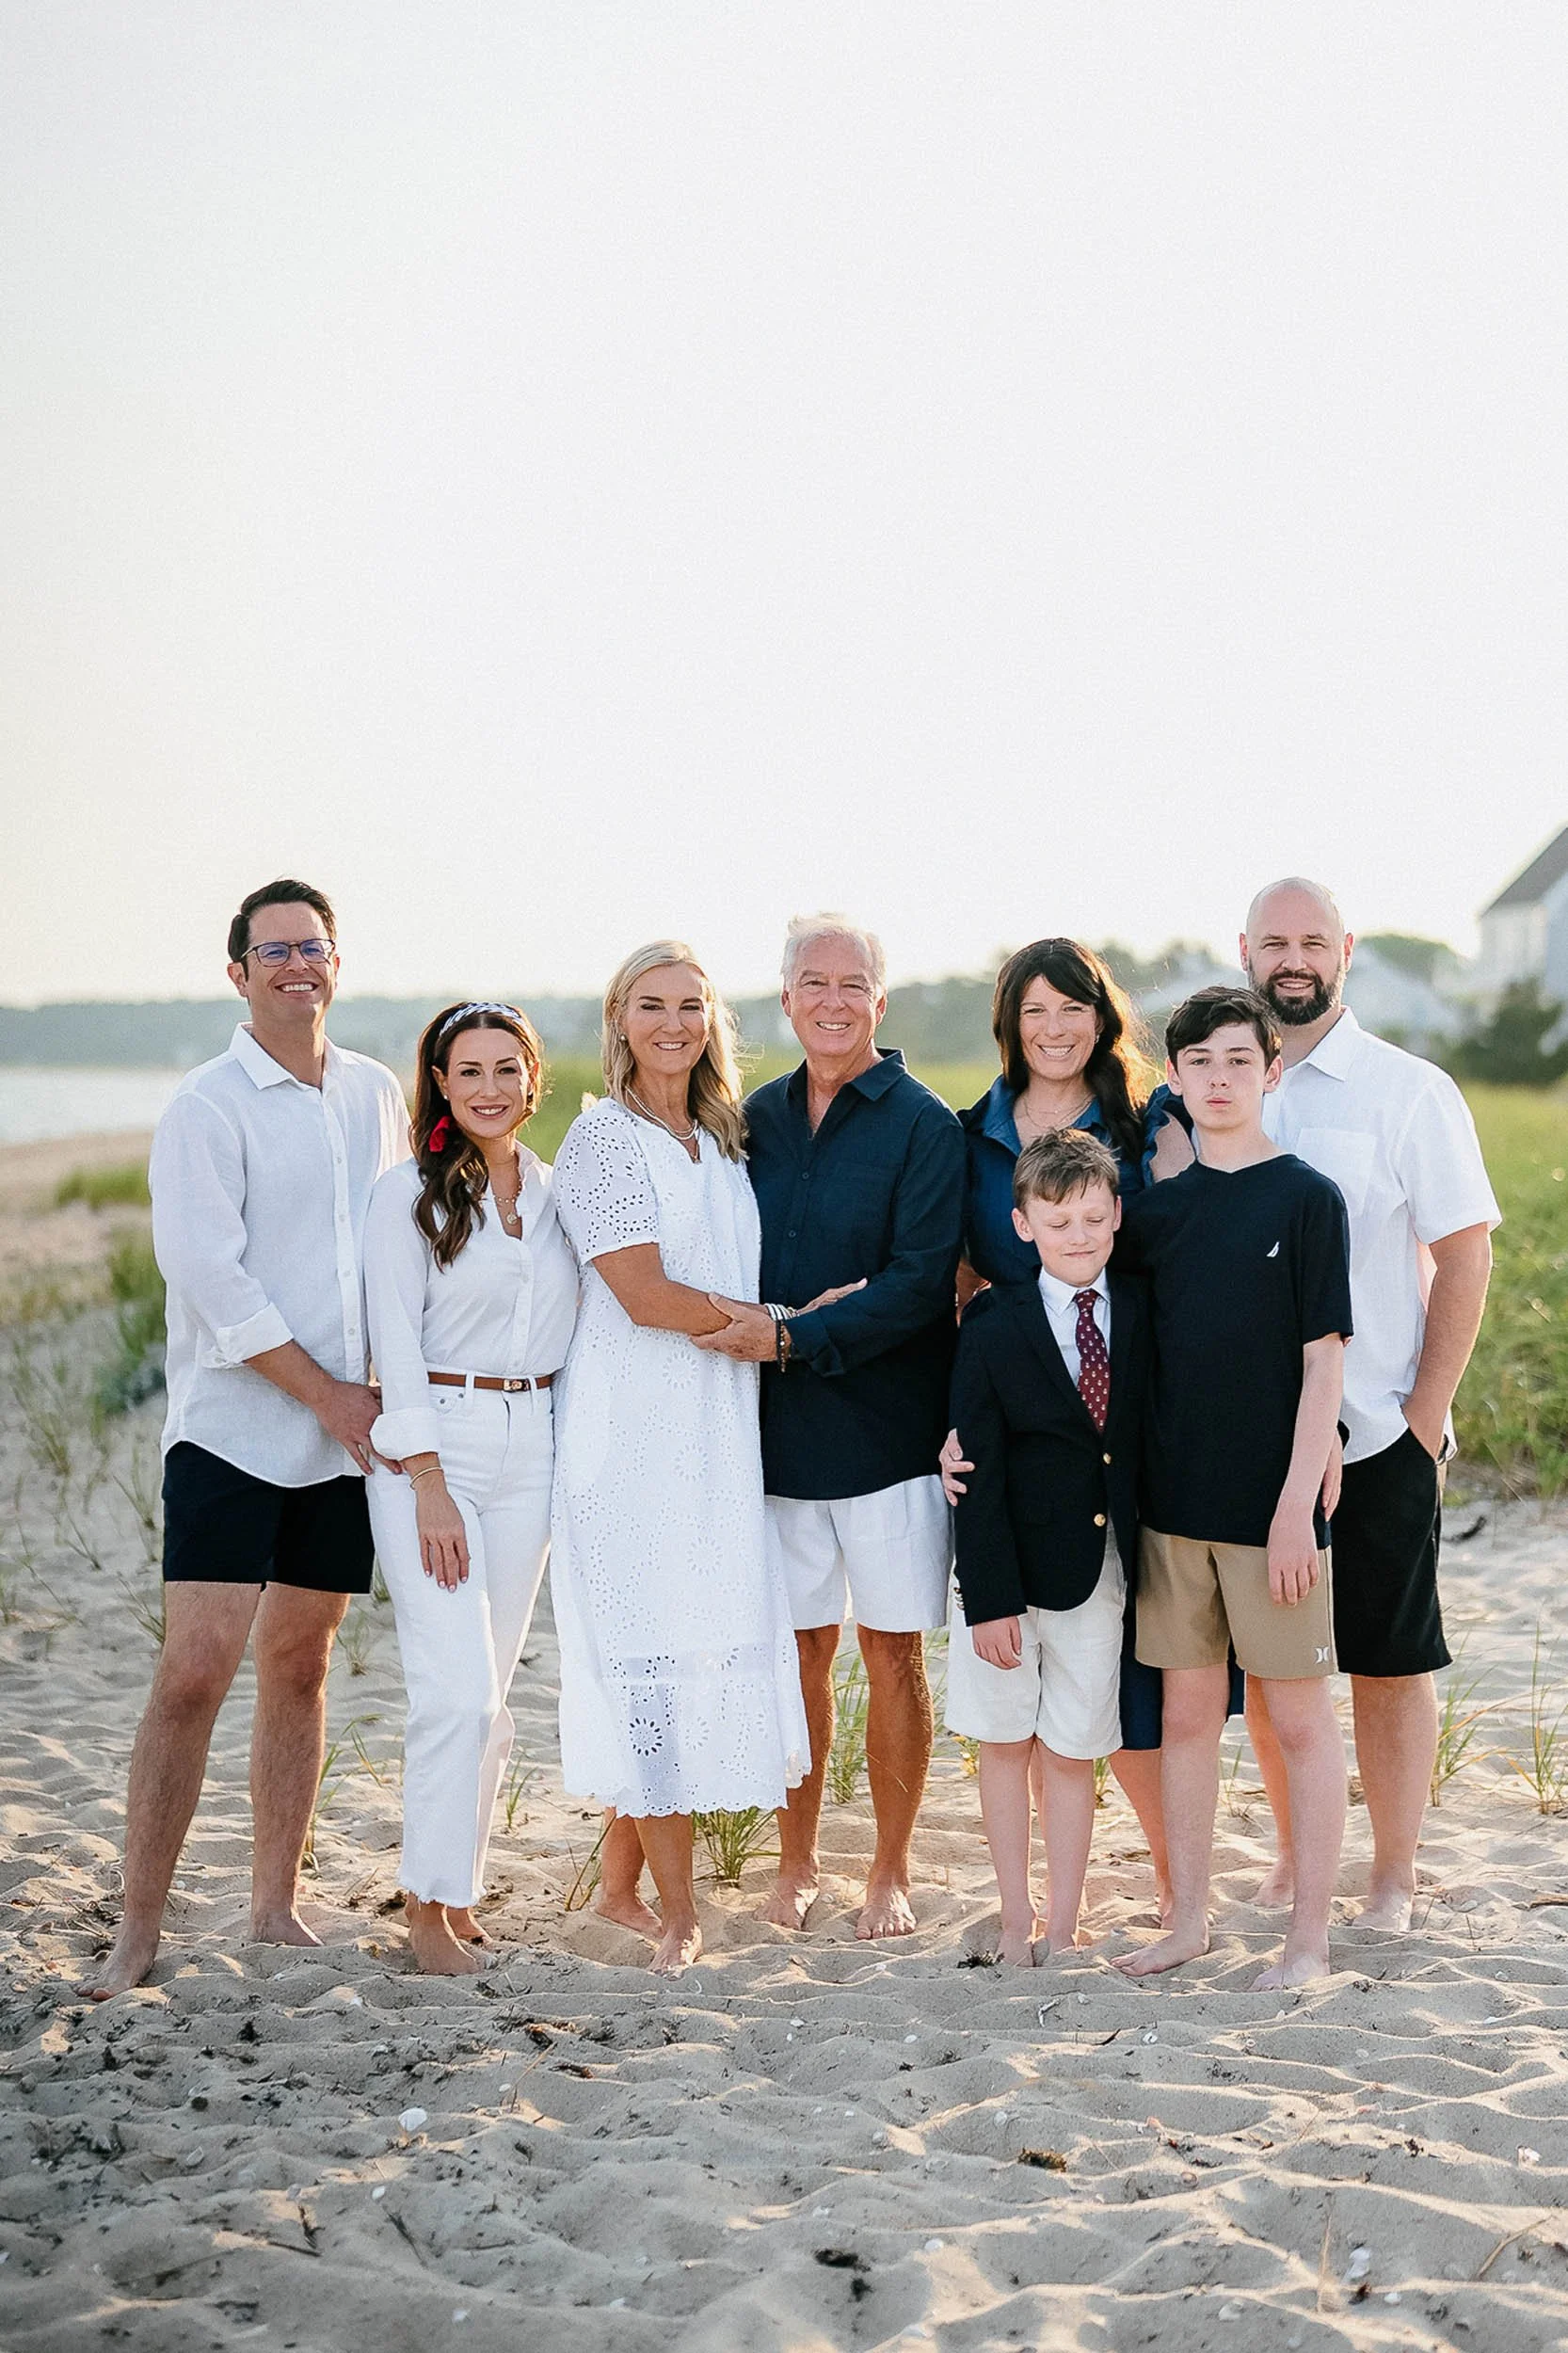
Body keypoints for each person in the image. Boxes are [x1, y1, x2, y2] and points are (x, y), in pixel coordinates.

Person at [90, 880, 408, 1999]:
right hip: (233, 1429)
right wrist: (327, 1393)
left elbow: (399, 1244)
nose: (295, 966)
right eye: (272, 950)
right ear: (238, 972)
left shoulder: (375, 1092)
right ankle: (136, 1929)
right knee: (193, 1672)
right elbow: (213, 1282)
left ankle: (274, 1905)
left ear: (336, 961)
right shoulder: (205, 1104)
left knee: (303, 1662)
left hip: (344, 1435)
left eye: (313, 946)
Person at [942, 936, 1230, 1918]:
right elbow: (954, 1275)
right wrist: (954, 1428)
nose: (1054, 1027)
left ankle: (1169, 1877)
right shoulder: (973, 1129)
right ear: (1010, 1025)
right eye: (1034, 1011)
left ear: (1100, 1016)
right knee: (1020, 1719)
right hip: (1019, 1406)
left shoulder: (1148, 1121)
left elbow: (1189, 1245)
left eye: (1072, 1007)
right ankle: (1035, 1909)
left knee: (1117, 1703)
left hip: (1127, 1405)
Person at [695, 916, 967, 1940]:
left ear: (879, 1002)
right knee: (797, 1657)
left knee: (893, 1654)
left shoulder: (923, 1126)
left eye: (853, 983)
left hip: (890, 1437)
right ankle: (796, 1861)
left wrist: (792, 1335)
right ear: (786, 998)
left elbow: (914, 1285)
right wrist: (777, 1333)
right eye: (814, 981)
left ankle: (889, 1869)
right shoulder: (750, 1119)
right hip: (779, 1439)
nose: (834, 1000)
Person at [1239, 879, 1499, 1931]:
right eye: (1273, 942)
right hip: (1253, 1439)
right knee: (1273, 1665)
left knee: (1390, 1662)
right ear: (1244, 950)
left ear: (1342, 949)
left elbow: (1464, 1254)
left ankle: (1391, 1875)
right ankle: (1301, 1852)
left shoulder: (1408, 1089)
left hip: (1379, 1426)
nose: (1291, 959)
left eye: (1311, 941)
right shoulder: (1223, 1081)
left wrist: (1428, 1406)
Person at [548, 942, 809, 1977]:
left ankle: (617, 1885)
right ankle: (677, 1912)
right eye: (651, 1006)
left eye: (691, 1005)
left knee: (682, 1644)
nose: (672, 1023)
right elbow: (644, 1296)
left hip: (712, 1424)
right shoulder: (600, 1139)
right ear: (618, 1019)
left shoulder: (719, 1136)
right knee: (646, 1647)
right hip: (630, 1434)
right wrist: (779, 1324)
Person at [1111, 985, 1352, 1990]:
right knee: (1184, 1722)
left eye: (1238, 1062)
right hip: (1174, 1517)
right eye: (1199, 1061)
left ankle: (1308, 1942)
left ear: (1271, 1071)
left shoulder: (1305, 1197)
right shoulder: (1154, 1213)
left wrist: (1297, 1505)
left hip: (1273, 1519)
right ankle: (1188, 1923)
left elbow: (1322, 1369)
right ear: (1172, 1076)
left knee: (1298, 1723)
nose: (1219, 1079)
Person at [362, 1001, 576, 1975]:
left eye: (506, 1068)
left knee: (490, 1694)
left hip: (532, 1439)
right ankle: (424, 1919)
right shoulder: (403, 1193)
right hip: (434, 1447)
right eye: (468, 1071)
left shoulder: (556, 1189)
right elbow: (394, 1348)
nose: (488, 1087)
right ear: (440, 1084)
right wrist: (429, 1484)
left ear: (533, 1079)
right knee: (450, 1689)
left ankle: (450, 1888)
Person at [947, 1129, 1152, 1962]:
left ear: (1115, 1219)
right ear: (1023, 1223)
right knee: (1004, 1743)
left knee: (1074, 1748)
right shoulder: (992, 1319)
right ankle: (1014, 1914)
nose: (1079, 1234)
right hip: (1008, 1574)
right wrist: (988, 1597)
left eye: (1095, 1218)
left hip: (1100, 1575)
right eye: (1059, 1218)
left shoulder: (1140, 1308)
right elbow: (974, 1465)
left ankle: (1063, 1921)